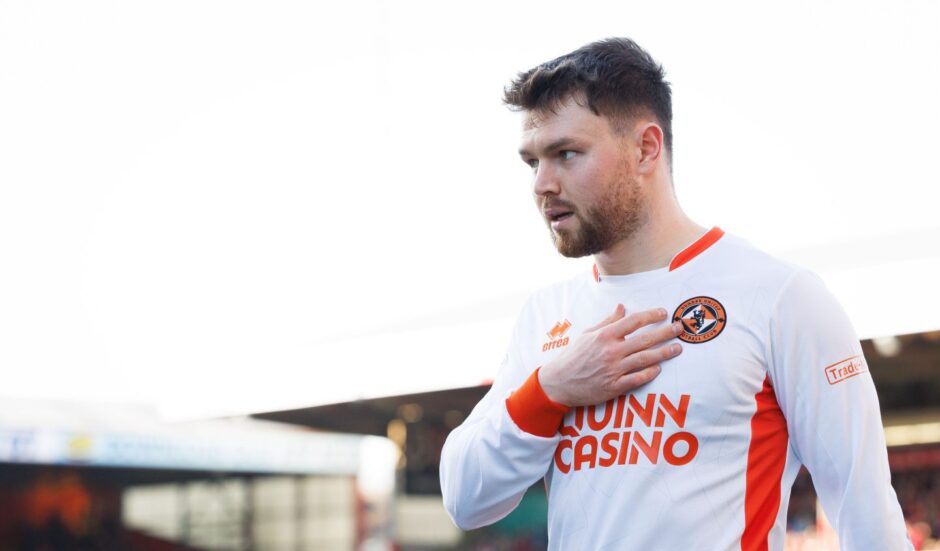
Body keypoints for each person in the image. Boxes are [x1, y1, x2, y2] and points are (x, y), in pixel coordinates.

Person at [439, 37, 911, 550]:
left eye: (566, 154)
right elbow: (466, 499)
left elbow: (869, 516)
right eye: (532, 162)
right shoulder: (547, 314)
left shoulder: (780, 297)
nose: (542, 184)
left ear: (646, 148)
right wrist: (551, 389)